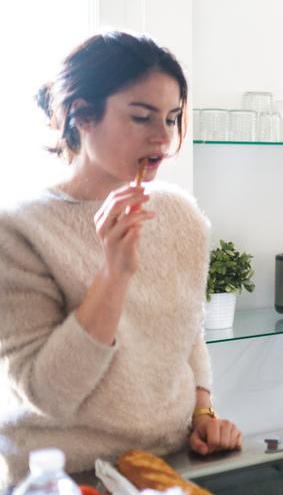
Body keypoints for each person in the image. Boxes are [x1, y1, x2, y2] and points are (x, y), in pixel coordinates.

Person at [0, 31, 241, 486]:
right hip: (63, 477)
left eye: (171, 119)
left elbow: (186, 335)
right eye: (141, 117)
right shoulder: (18, 230)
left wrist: (203, 411)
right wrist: (113, 274)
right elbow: (48, 394)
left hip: (163, 465)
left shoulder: (179, 214)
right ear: (81, 115)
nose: (162, 137)